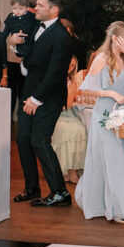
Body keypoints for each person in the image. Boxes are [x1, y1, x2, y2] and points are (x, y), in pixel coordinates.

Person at [75, 22, 124, 223]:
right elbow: (87, 89)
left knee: (118, 160)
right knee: (112, 162)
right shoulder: (101, 58)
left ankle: (109, 205)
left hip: (120, 115)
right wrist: (111, 94)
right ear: (115, 39)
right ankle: (118, 209)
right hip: (105, 114)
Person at [11, 0, 73, 207]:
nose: (34, 8)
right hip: (30, 92)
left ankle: (60, 192)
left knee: (39, 141)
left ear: (53, 10)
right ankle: (32, 188)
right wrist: (15, 45)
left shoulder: (62, 37)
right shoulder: (37, 27)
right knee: (23, 140)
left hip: (48, 98)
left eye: (39, 5)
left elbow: (55, 73)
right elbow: (31, 58)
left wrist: (36, 99)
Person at [50, 56, 87, 184]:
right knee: (64, 130)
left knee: (79, 129)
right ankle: (63, 170)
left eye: (73, 66)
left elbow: (67, 104)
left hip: (66, 113)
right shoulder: (52, 77)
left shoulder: (72, 82)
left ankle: (72, 169)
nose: (70, 68)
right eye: (68, 64)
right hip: (52, 114)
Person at [0, 0, 37, 114]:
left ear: (26, 8)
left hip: (30, 54)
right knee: (12, 95)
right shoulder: (11, 19)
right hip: (15, 56)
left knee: (25, 94)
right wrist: (10, 41)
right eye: (15, 8)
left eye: (21, 9)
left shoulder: (33, 19)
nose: (17, 11)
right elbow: (4, 36)